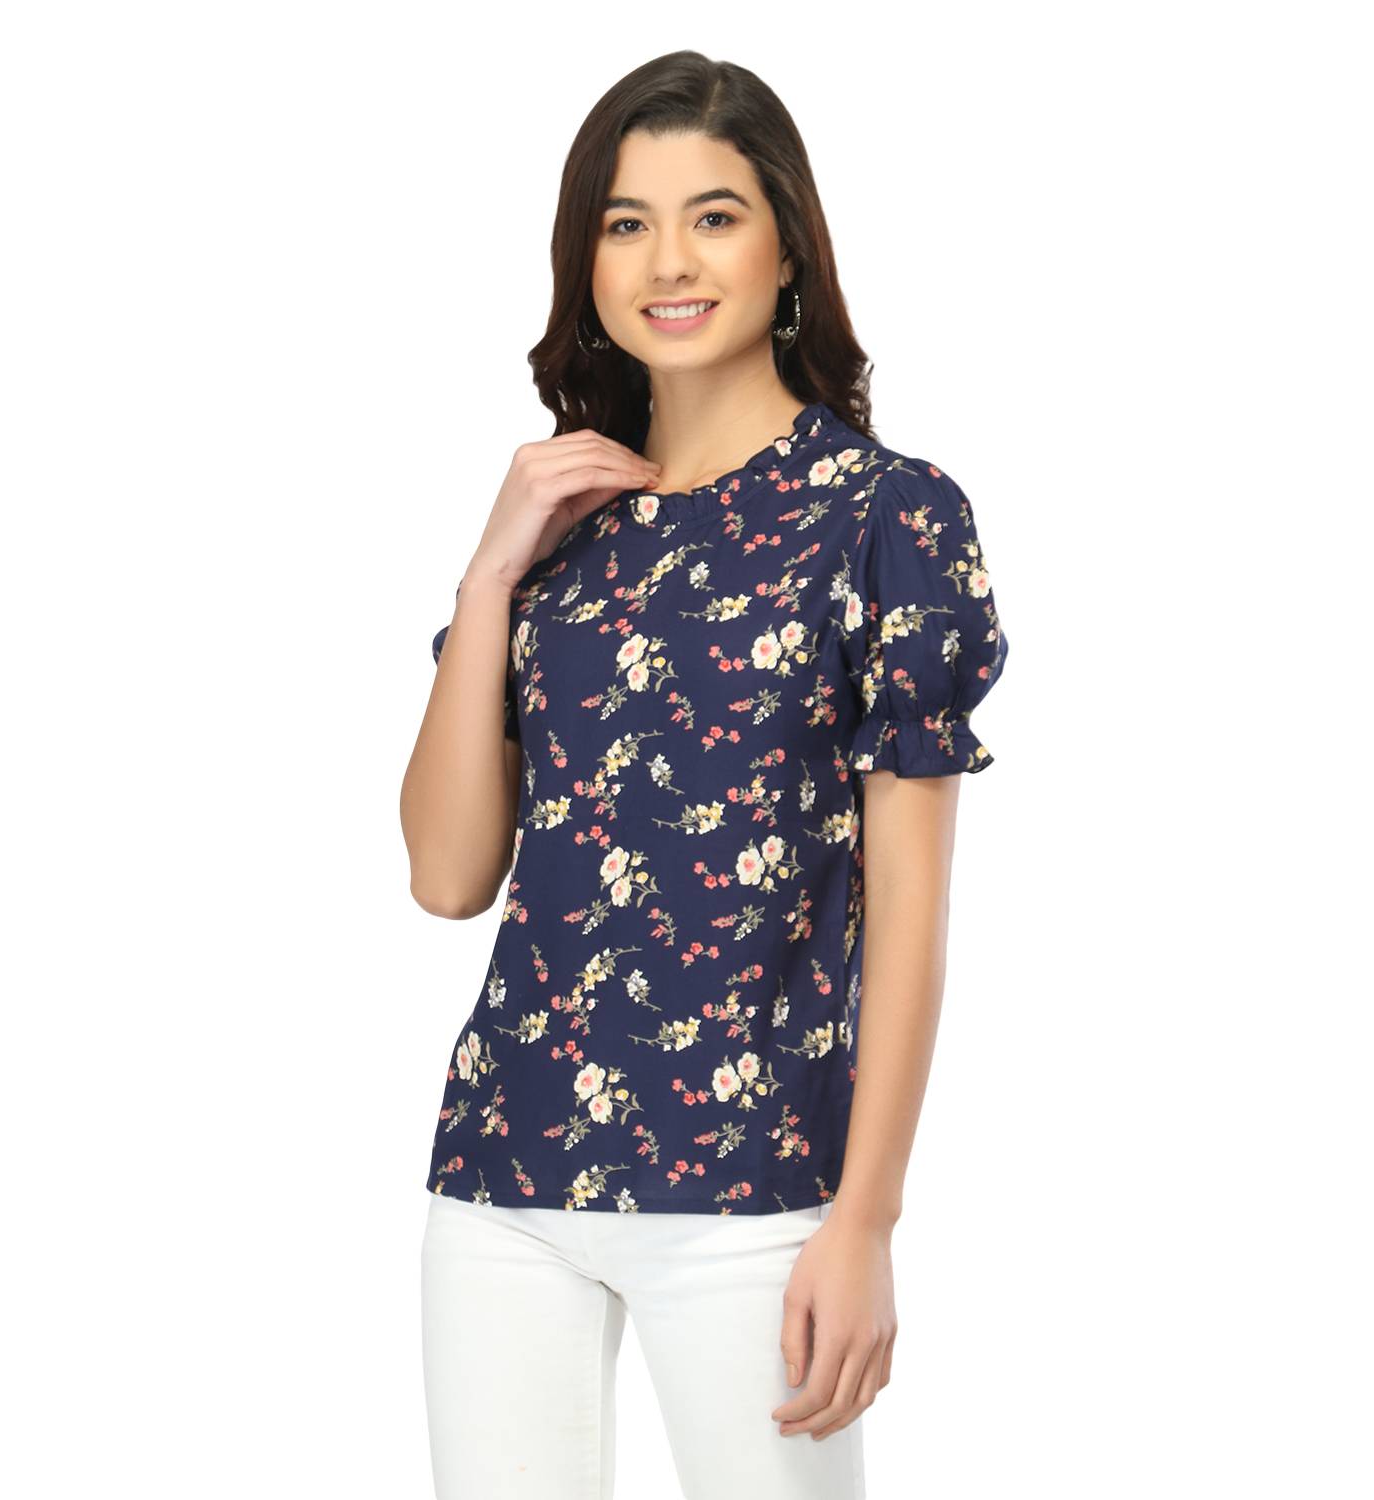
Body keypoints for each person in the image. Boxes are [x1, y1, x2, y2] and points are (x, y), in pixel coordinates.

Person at [399, 50, 1009, 1500]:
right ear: (587, 259)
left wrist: (866, 1221)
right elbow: (447, 874)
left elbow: (911, 909)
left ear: (787, 248)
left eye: (715, 216)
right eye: (627, 223)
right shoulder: (559, 529)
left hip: (758, 1193)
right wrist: (489, 578)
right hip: (505, 1180)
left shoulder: (887, 517)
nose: (669, 261)